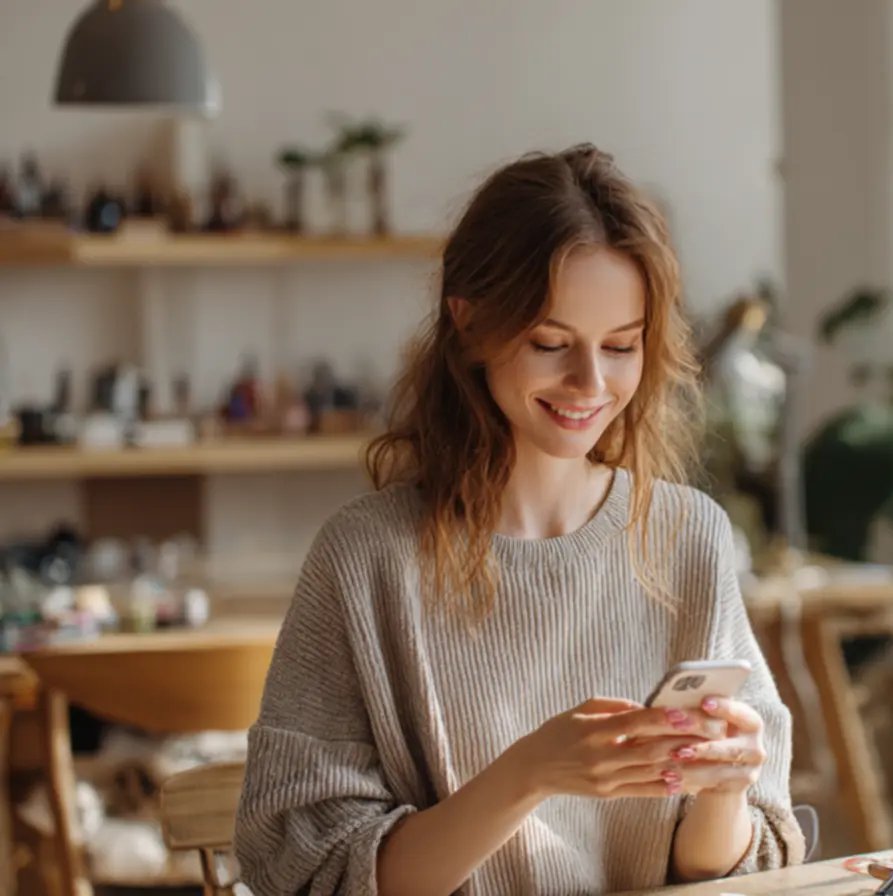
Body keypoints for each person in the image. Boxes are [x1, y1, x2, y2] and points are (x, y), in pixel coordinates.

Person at [233, 144, 805, 896]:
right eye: (550, 343)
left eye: (622, 347)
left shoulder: (686, 536)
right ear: (469, 324)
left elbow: (721, 873)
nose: (590, 385)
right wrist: (531, 773)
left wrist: (726, 788)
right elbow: (313, 875)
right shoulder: (366, 557)